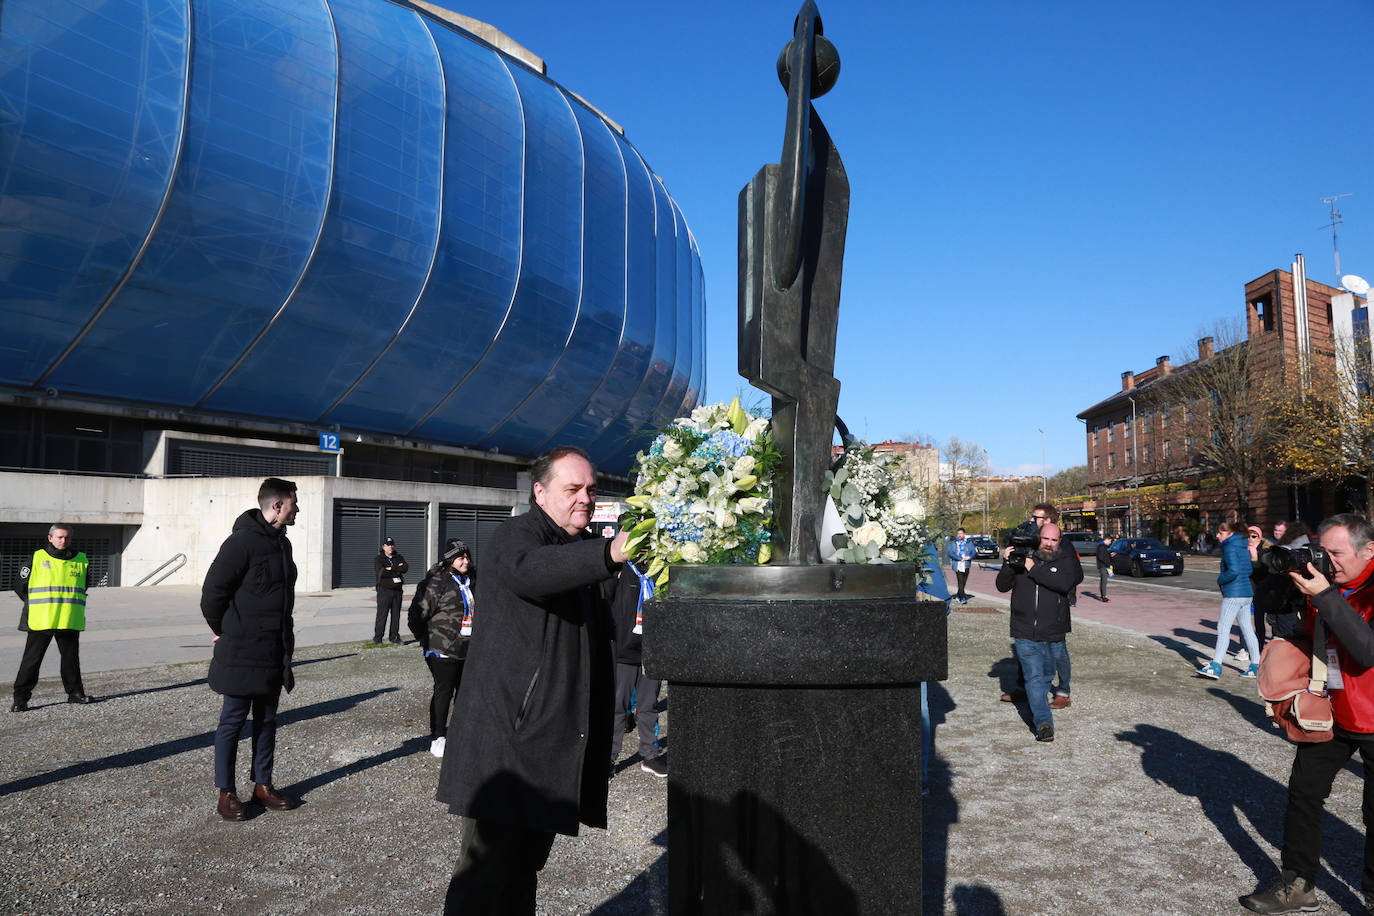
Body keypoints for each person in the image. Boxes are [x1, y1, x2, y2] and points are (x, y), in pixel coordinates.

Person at [437, 446, 629, 914]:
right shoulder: (515, 537)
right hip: (510, 747)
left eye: (590, 489)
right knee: (485, 877)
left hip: (546, 745)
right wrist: (608, 553)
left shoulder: (572, 546)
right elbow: (532, 572)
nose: (585, 498)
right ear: (540, 493)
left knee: (522, 873)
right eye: (573, 489)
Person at [1239, 514, 1374, 914]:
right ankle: (1298, 884)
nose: (1328, 561)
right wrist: (1281, 573)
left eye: (1337, 552)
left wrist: (1325, 595)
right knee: (1303, 794)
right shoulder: (1322, 580)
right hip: (1330, 711)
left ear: (1369, 550)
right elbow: (1265, 603)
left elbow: (1367, 651)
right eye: (1323, 550)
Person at [201, 478, 300, 821]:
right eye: (293, 503)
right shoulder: (241, 543)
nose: (296, 509)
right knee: (232, 721)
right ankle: (225, 793)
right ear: (277, 506)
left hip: (274, 649)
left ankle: (263, 785)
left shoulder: (282, 545)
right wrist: (225, 631)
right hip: (242, 650)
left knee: (267, 721)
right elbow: (212, 593)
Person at [996, 521, 1079, 742]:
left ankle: (1054, 698)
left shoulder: (1064, 559)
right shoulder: (1022, 557)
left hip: (1052, 632)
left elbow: (1064, 583)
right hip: (1024, 630)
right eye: (1045, 539)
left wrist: (1033, 568)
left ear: (1059, 541)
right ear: (1037, 537)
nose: (1049, 544)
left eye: (1054, 540)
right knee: (1033, 677)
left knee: (1043, 678)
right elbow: (1002, 586)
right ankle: (1044, 723)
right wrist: (1007, 563)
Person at [12, 523, 93, 710]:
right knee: (31, 661)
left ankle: (75, 694)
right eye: (59, 537)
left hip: (68, 619)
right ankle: (20, 699)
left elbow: (84, 585)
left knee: (71, 660)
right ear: (50, 538)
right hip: (42, 620)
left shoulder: (81, 560)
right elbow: (19, 585)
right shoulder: (36, 558)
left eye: (67, 537)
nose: (63, 541)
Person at [414, 539, 475, 759]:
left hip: (468, 648)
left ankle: (460, 732)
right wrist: (424, 637)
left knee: (466, 692)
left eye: (467, 556)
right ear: (450, 559)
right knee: (444, 691)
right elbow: (417, 614)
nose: (466, 561)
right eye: (461, 557)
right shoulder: (437, 581)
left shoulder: (472, 579)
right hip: (442, 648)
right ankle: (438, 736)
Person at [609, 562, 666, 777]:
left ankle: (650, 756)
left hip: (651, 650)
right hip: (623, 651)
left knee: (649, 705)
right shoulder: (620, 570)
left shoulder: (658, 571)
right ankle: (608, 759)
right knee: (616, 707)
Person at [1196, 520, 1259, 680]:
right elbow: (1249, 569)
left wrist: (1220, 579)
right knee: (1247, 628)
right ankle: (1256, 666)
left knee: (1223, 628)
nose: (1217, 535)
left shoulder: (1230, 547)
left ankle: (1216, 666)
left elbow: (1234, 571)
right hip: (1246, 592)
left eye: (1221, 532)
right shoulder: (1243, 546)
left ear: (1230, 534)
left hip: (1234, 593)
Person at [373, 536, 409, 645]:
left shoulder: (398, 557)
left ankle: (394, 637)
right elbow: (382, 573)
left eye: (392, 544)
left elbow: (405, 568)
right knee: (382, 615)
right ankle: (378, 638)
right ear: (383, 547)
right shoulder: (379, 559)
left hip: (397, 590)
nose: (390, 547)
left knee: (396, 615)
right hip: (384, 590)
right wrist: (396, 569)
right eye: (388, 545)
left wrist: (391, 569)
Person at [946, 528, 976, 604]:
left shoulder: (969, 543)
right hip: (958, 564)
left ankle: (959, 595)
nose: (959, 535)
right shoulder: (954, 543)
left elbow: (973, 552)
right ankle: (962, 598)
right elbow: (950, 553)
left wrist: (969, 557)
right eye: (958, 534)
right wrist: (959, 558)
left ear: (964, 534)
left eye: (961, 533)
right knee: (960, 581)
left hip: (966, 564)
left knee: (963, 582)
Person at [1095, 533, 1114, 603]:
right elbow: (1102, 557)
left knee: (1104, 581)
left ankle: (1103, 595)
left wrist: (1110, 555)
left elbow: (1104, 556)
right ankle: (1104, 596)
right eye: (1110, 541)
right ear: (1107, 539)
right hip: (1103, 566)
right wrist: (1109, 564)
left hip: (1105, 566)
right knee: (1104, 581)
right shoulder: (1101, 547)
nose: (1110, 543)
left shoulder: (1103, 547)